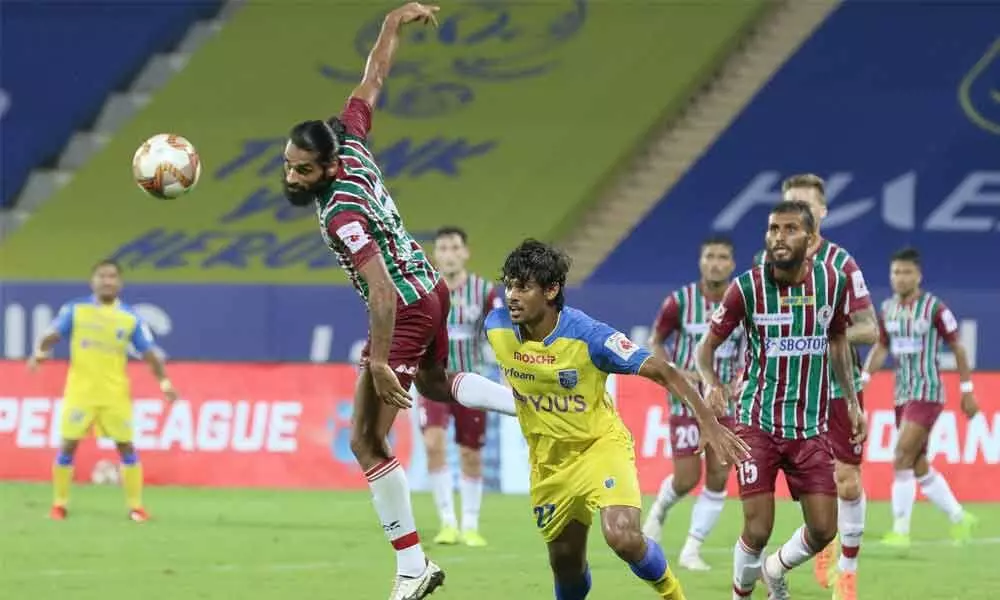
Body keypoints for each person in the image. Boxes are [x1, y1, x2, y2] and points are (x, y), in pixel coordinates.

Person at [280, 4, 516, 598]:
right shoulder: (352, 140)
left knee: (366, 440)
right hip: (431, 285)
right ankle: (530, 404)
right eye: (288, 166)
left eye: (303, 171)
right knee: (436, 385)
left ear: (328, 167)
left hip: (406, 305)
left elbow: (380, 293)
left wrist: (381, 360)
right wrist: (392, 22)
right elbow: (374, 78)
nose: (292, 179)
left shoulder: (341, 213)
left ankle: (413, 568)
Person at [484, 239, 750, 600]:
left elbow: (665, 372)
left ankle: (673, 594)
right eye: (510, 285)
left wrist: (708, 422)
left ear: (551, 290)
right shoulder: (497, 328)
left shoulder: (590, 336)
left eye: (523, 287)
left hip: (600, 447)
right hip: (548, 463)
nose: (512, 295)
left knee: (622, 536)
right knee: (566, 564)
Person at [698, 201, 866, 600]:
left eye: (790, 229)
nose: (779, 237)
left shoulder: (832, 282)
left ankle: (775, 568)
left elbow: (839, 340)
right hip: (757, 423)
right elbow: (706, 349)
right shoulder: (747, 288)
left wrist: (854, 402)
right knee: (757, 529)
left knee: (825, 529)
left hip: (810, 427)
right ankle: (741, 595)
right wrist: (711, 382)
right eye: (774, 229)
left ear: (810, 240)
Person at [756, 174, 879, 597]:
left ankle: (847, 568)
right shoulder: (765, 264)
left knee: (848, 479)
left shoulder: (841, 264)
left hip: (836, 389)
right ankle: (818, 543)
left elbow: (869, 328)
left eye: (805, 207)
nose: (795, 216)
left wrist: (823, 328)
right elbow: (748, 325)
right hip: (788, 392)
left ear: (821, 214)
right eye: (789, 207)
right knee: (809, 483)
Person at [27, 259, 177, 523]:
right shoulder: (76, 310)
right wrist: (40, 352)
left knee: (126, 447)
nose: (107, 281)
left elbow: (150, 354)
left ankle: (136, 507)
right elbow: (52, 334)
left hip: (114, 394)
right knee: (68, 446)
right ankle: (59, 505)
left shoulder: (130, 318)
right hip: (80, 392)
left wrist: (164, 382)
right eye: (102, 276)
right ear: (92, 281)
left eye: (112, 276)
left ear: (120, 283)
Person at [862, 247, 979, 548]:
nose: (900, 278)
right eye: (896, 272)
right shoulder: (888, 309)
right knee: (917, 463)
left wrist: (967, 391)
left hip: (927, 391)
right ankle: (959, 517)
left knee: (900, 455)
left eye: (906, 272)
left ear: (918, 275)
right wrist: (863, 378)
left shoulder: (934, 308)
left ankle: (900, 531)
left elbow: (959, 347)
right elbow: (882, 348)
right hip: (902, 392)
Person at [641, 235, 743, 571]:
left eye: (722, 257)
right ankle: (659, 509)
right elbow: (655, 341)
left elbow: (755, 346)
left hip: (724, 403)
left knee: (719, 473)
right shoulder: (680, 302)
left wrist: (738, 382)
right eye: (710, 256)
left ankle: (691, 549)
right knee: (686, 478)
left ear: (732, 263)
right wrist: (673, 374)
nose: (715, 262)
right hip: (687, 403)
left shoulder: (743, 300)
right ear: (701, 261)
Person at [420, 226, 501, 547]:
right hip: (433, 381)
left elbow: (500, 334)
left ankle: (470, 524)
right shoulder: (424, 291)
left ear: (465, 252)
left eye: (455, 248)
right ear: (435, 254)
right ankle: (447, 522)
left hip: (472, 381)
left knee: (470, 453)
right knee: (433, 444)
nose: (449, 254)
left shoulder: (485, 292)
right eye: (443, 248)